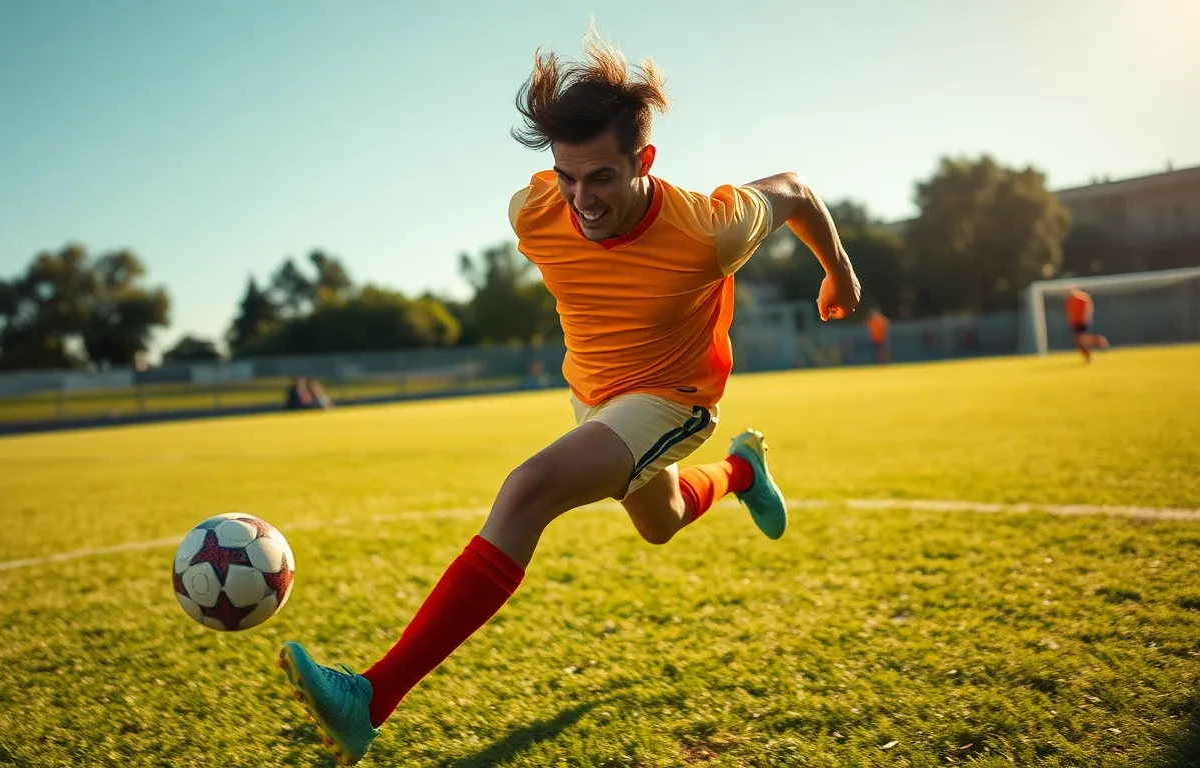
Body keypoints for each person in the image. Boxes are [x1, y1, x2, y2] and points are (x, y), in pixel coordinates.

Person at [275, 29, 861, 764]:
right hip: (592, 396)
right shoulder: (533, 213)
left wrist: (838, 272)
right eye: (567, 176)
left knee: (527, 490)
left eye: (603, 179)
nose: (582, 200)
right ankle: (745, 473)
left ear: (644, 161)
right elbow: (566, 213)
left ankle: (372, 696)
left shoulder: (711, 229)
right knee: (663, 520)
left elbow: (799, 191)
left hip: (675, 398)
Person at [1064, 286, 1108, 362]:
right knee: (1078, 341)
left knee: (1081, 339)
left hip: (1082, 321)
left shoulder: (1082, 297)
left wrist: (1086, 317)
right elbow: (1069, 311)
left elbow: (1088, 308)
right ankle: (1087, 356)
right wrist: (1070, 319)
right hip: (1074, 322)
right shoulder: (1068, 300)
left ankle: (1098, 340)